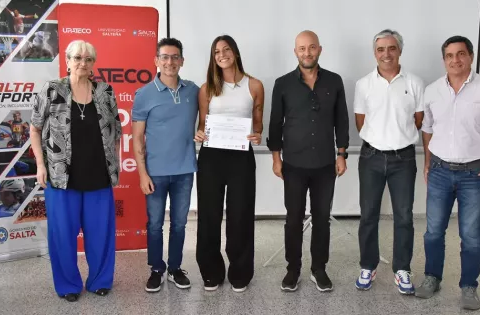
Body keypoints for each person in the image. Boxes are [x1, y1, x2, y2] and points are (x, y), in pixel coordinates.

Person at [416, 36, 480, 310]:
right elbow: (427, 129)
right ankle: (432, 277)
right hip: (438, 170)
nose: (455, 60)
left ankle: (469, 286)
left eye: (461, 54)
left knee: (471, 236)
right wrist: (427, 162)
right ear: (444, 60)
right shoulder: (433, 90)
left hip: (475, 174)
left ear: (471, 57)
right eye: (449, 55)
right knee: (433, 232)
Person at [30, 40, 122, 302]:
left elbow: (116, 129)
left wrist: (113, 161)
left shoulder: (105, 91)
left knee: (101, 235)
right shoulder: (52, 90)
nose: (83, 63)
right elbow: (35, 129)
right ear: (68, 61)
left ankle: (100, 280)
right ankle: (68, 284)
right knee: (62, 236)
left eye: (89, 59)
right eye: (78, 58)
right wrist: (40, 164)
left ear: (94, 64)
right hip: (61, 177)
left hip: (99, 176)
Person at [267, 30, 349, 292]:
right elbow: (275, 123)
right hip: (293, 164)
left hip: (326, 164)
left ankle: (319, 269)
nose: (307, 52)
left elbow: (342, 120)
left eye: (311, 47)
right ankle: (293, 269)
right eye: (302, 48)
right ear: (295, 52)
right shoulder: (282, 83)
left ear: (320, 50)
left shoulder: (334, 81)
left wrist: (342, 154)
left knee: (322, 218)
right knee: (293, 219)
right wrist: (275, 159)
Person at [353, 29, 424, 294]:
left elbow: (418, 120)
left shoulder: (415, 83)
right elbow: (361, 122)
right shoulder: (363, 84)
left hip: (403, 158)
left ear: (400, 51)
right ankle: (368, 266)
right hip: (371, 156)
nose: (386, 54)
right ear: (375, 53)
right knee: (368, 215)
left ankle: (402, 269)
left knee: (404, 216)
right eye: (381, 49)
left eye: (391, 48)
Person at [193, 35, 264, 292]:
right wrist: (199, 135)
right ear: (214, 58)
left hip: (241, 156)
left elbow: (258, 126)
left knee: (241, 215)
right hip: (212, 156)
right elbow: (202, 126)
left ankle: (240, 272)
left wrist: (257, 135)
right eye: (216, 52)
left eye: (226, 49)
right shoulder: (207, 88)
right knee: (209, 215)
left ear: (235, 52)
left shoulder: (254, 85)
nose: (221, 54)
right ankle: (211, 272)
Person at [132, 38, 199, 293]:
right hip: (155, 173)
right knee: (155, 224)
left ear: (182, 61)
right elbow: (137, 137)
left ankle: (175, 268)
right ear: (156, 61)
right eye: (165, 57)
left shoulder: (194, 90)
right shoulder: (144, 94)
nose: (170, 62)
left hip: (184, 171)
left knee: (180, 224)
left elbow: (206, 122)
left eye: (175, 57)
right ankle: (157, 269)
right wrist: (142, 173)